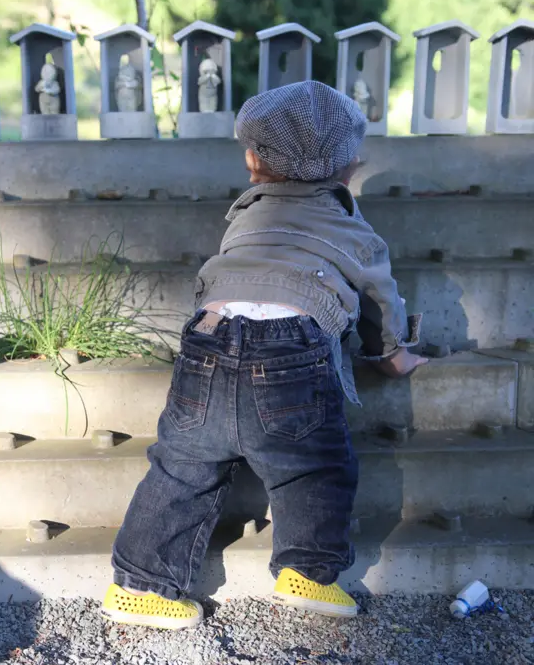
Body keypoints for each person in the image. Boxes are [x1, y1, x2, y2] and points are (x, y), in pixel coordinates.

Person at [102, 81, 428, 630]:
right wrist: (394, 357)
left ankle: (139, 587)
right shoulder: (356, 231)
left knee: (180, 469)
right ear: (349, 169)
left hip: (207, 339)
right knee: (314, 466)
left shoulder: (245, 217)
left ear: (252, 162)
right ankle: (308, 574)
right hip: (290, 351)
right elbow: (379, 301)